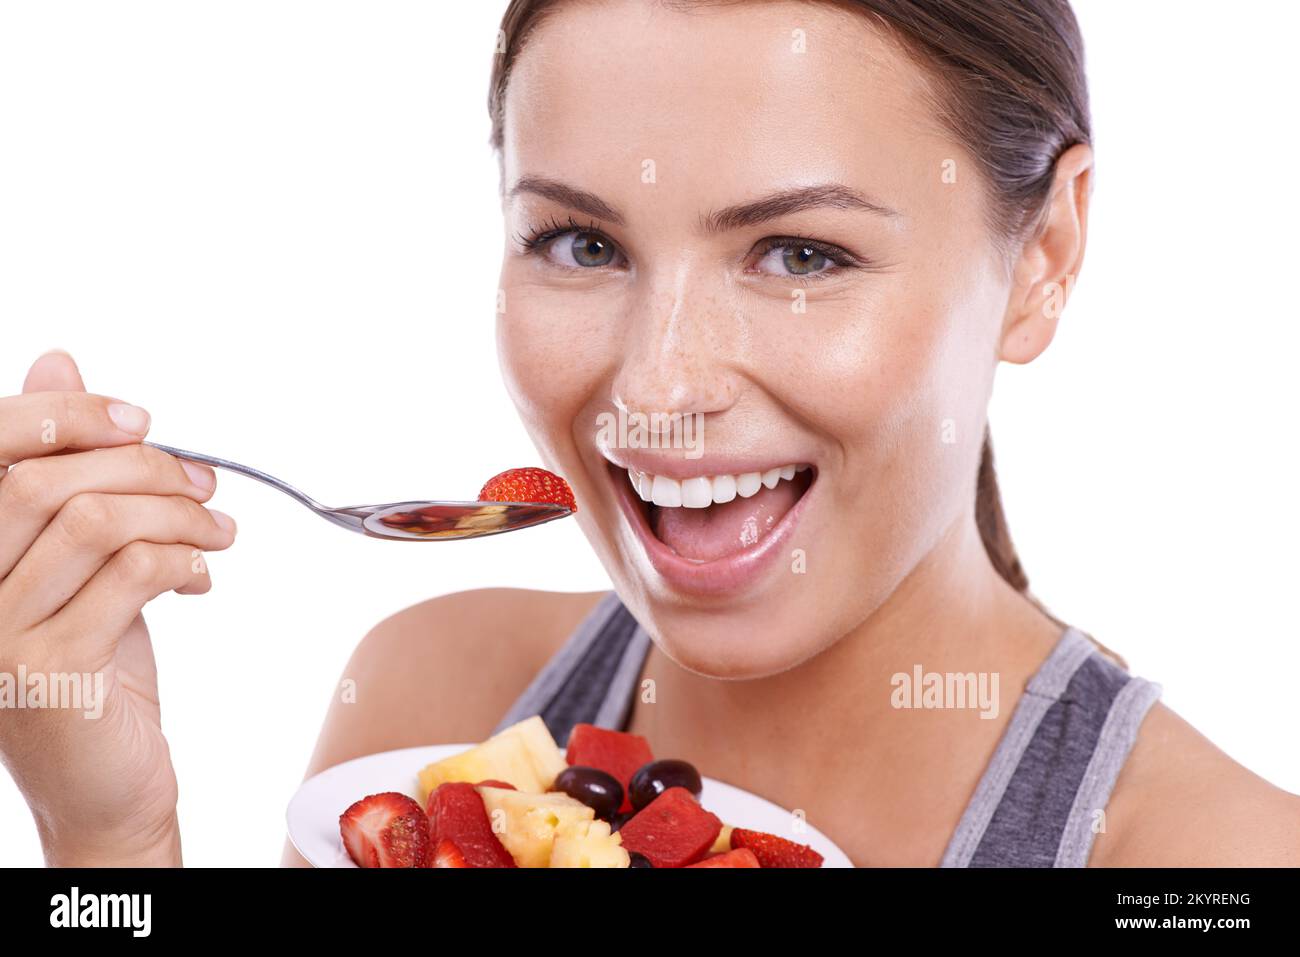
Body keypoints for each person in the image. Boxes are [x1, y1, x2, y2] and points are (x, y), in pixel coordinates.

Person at [2, 0, 1296, 868]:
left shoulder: (1211, 860)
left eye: (799, 251)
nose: (659, 385)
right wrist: (107, 829)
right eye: (581, 243)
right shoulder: (422, 714)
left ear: (1045, 258)